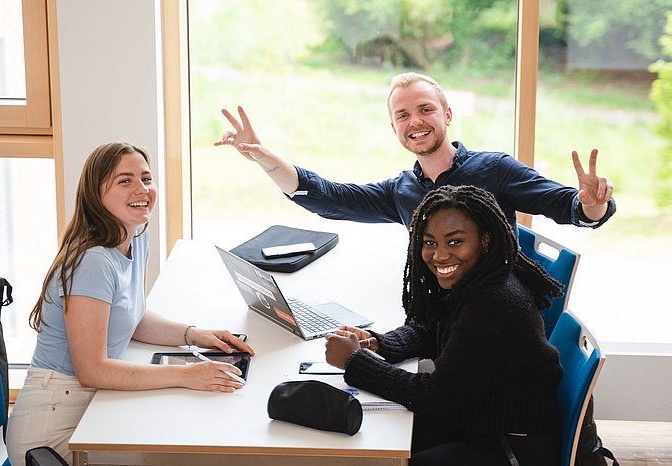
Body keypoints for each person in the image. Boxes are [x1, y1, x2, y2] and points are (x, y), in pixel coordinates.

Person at [6, 142, 255, 466]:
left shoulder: (134, 237)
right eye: (125, 180)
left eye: (146, 178)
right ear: (96, 194)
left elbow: (129, 315)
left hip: (91, 403)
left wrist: (193, 335)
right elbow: (92, 370)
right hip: (54, 426)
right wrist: (187, 374)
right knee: (183, 454)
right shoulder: (92, 261)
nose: (142, 189)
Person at [325, 184, 564, 466]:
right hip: (477, 417)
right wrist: (380, 343)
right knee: (370, 438)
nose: (439, 255)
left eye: (454, 242)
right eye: (430, 243)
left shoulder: (493, 304)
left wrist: (356, 361)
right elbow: (432, 328)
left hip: (508, 447)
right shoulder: (477, 280)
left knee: (375, 453)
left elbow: (435, 398)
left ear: (485, 241)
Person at [215, 72, 615, 231]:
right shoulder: (401, 191)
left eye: (425, 109)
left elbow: (572, 208)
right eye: (403, 115)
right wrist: (264, 157)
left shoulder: (494, 169)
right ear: (394, 128)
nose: (416, 122)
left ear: (447, 114)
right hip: (433, 313)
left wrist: (593, 204)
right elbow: (325, 197)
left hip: (493, 317)